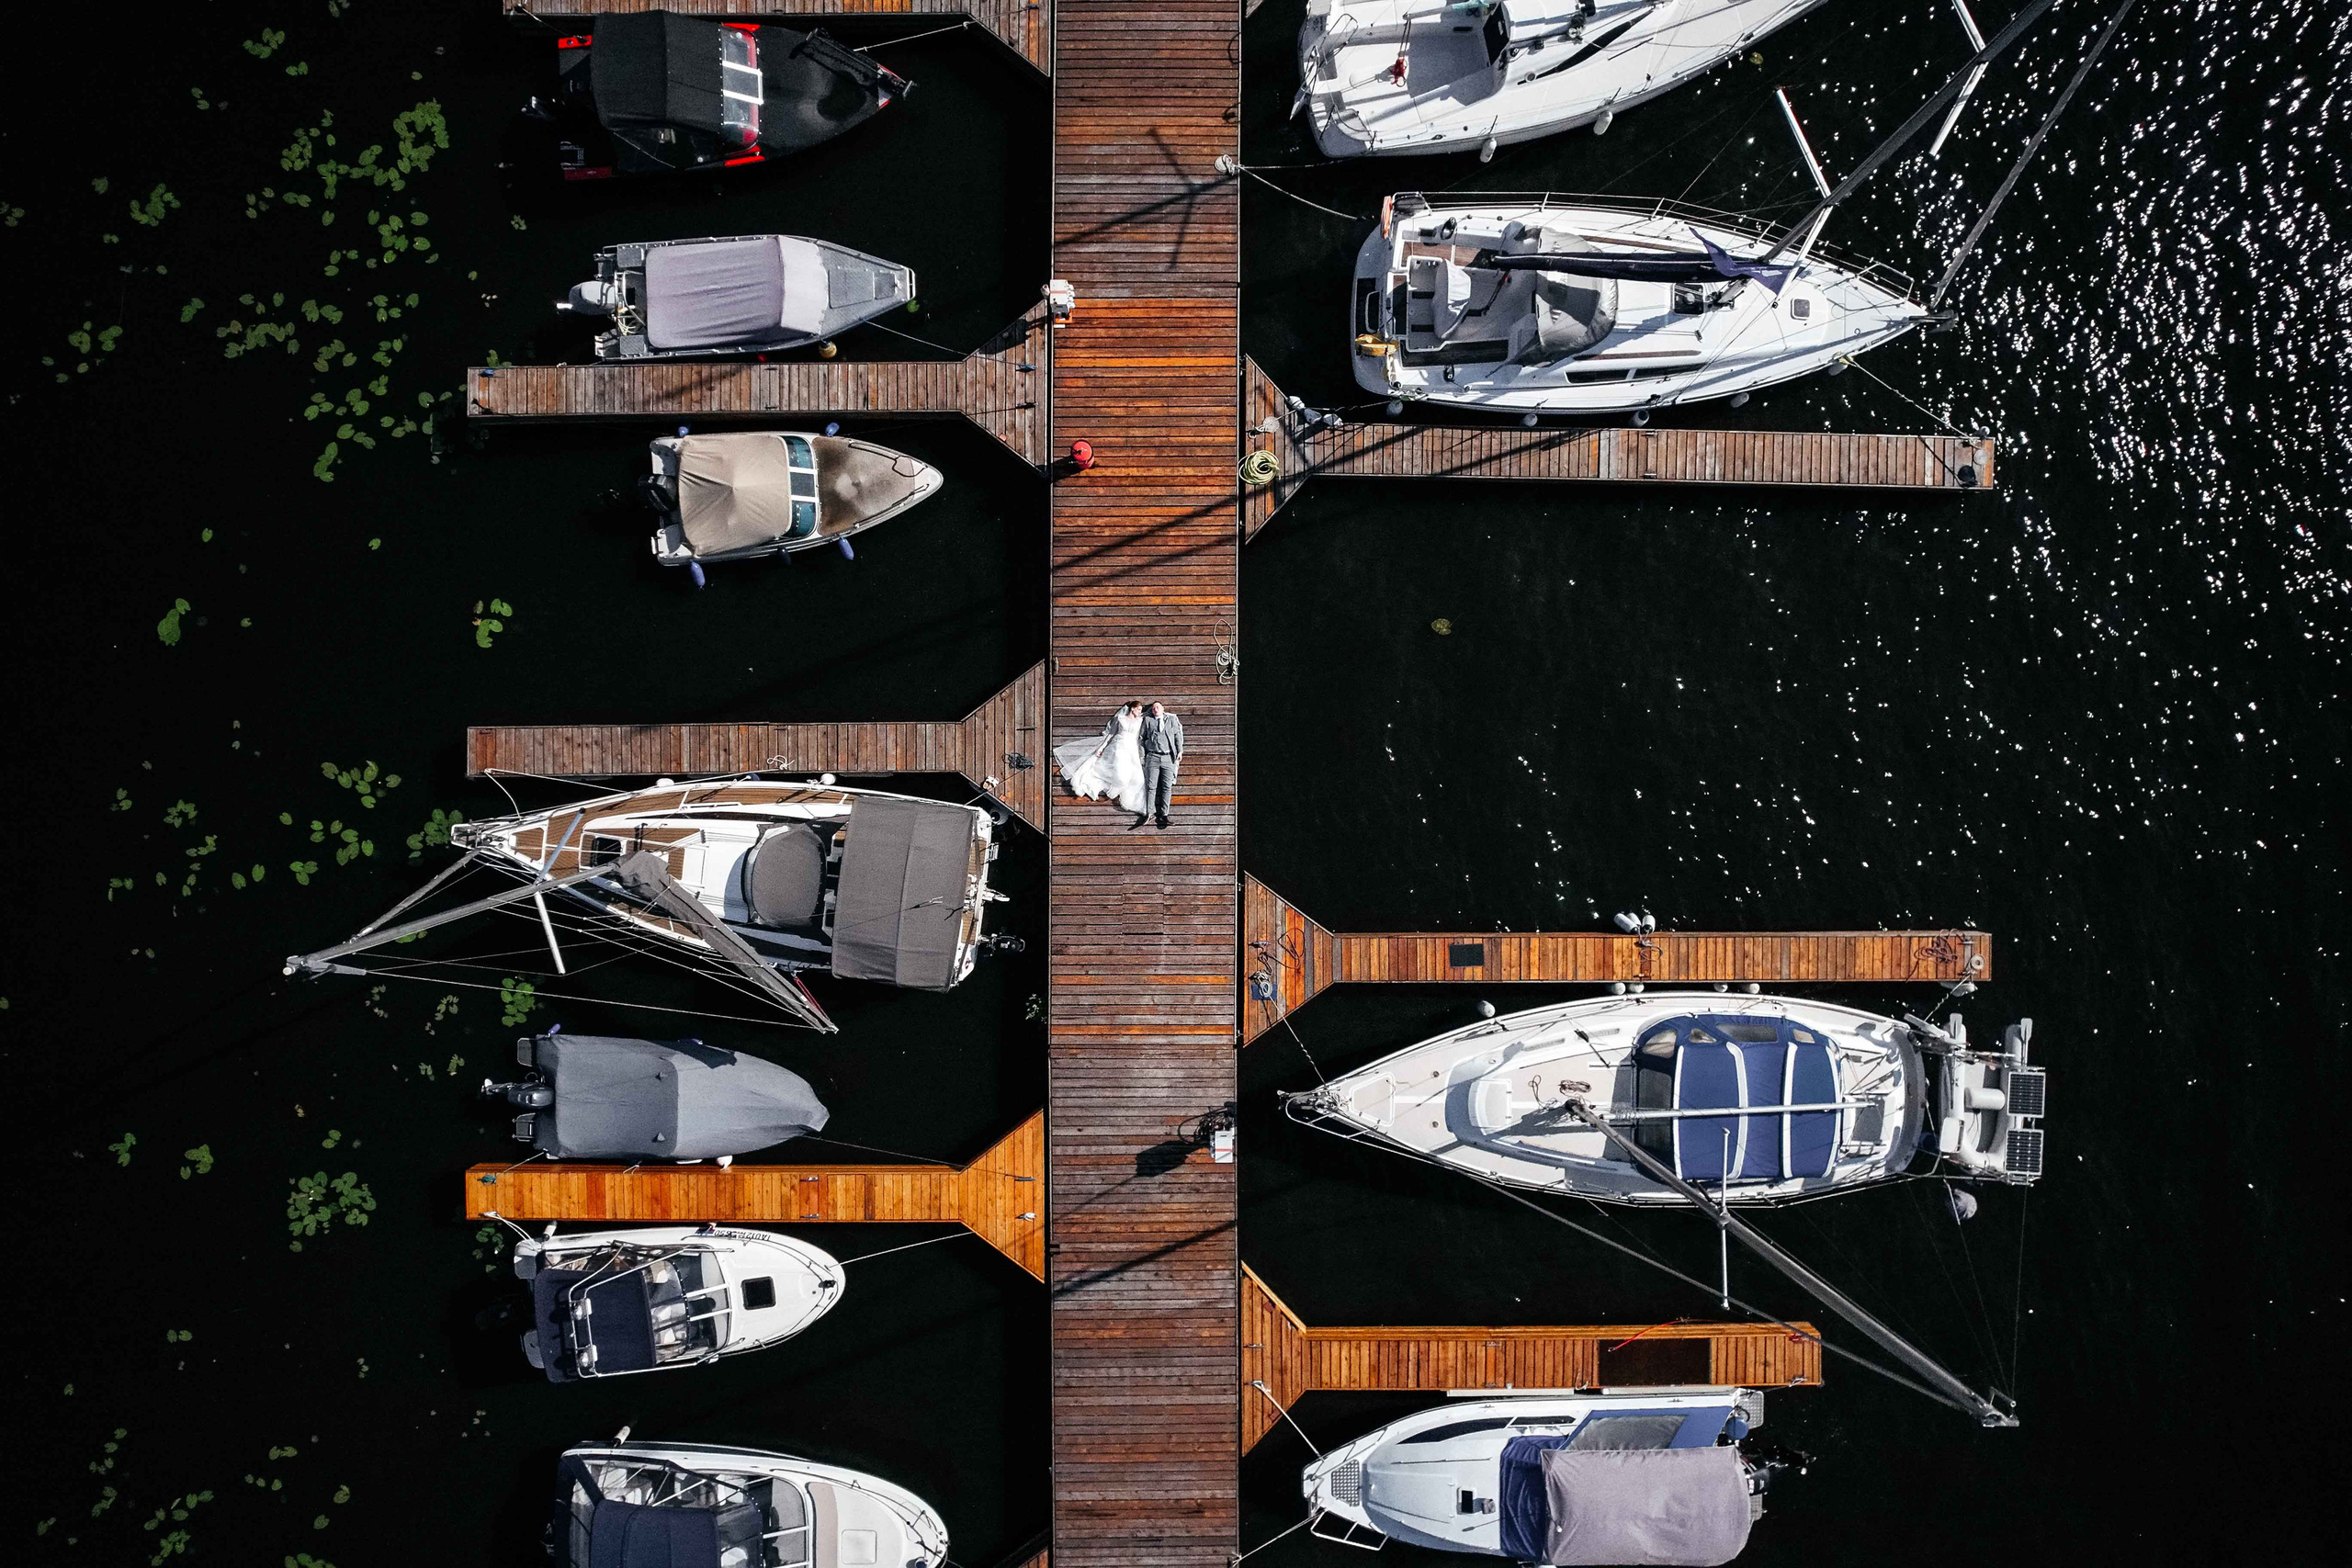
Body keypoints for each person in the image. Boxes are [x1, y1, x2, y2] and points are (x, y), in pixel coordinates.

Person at [1054, 702, 1147, 818]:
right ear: (1132, 709)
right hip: (1118, 747)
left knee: (1137, 777)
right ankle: (1104, 783)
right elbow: (1111, 734)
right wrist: (1102, 747)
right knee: (1117, 771)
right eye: (1138, 709)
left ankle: (1133, 801)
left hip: (1131, 749)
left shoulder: (1140, 721)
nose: (1140, 711)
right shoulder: (1120, 718)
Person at [1138, 702, 1184, 829]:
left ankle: (1164, 815)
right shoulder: (1148, 720)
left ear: (1163, 709)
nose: (1155, 709)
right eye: (1153, 708)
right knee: (1151, 786)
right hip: (1153, 756)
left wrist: (1180, 751)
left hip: (1168, 757)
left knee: (1166, 787)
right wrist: (1142, 756)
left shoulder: (1171, 720)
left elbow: (1177, 735)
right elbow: (1142, 738)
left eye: (1157, 707)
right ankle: (1150, 812)